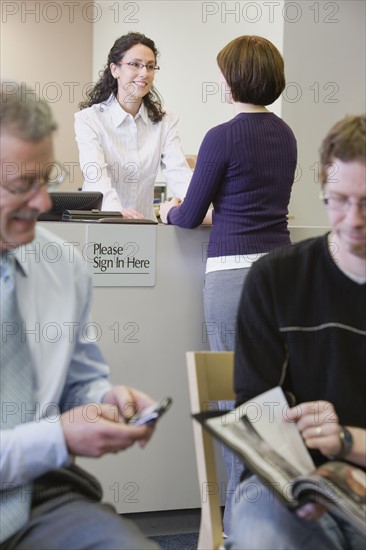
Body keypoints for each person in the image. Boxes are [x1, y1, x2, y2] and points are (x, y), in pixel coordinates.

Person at [0, 81, 160, 549]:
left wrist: (106, 399)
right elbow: (58, 434)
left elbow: (78, 383)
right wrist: (60, 438)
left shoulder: (62, 265)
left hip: (41, 497)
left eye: (45, 179)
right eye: (21, 186)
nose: (43, 203)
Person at [159, 34, 297, 533]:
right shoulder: (285, 134)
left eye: (223, 72)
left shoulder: (222, 136)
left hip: (234, 276)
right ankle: (272, 526)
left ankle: (242, 531)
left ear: (235, 78)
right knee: (271, 403)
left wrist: (166, 210)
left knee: (234, 406)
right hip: (280, 275)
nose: (220, 81)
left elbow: (191, 213)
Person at [226, 114, 366, 549]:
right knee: (269, 538)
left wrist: (346, 443)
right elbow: (255, 409)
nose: (354, 219)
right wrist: (302, 461)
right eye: (338, 200)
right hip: (285, 482)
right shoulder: (276, 278)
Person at [75, 32, 192, 220]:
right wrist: (117, 212)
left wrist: (195, 206)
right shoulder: (89, 119)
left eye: (150, 66)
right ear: (115, 70)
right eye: (135, 64)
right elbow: (95, 176)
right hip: (102, 223)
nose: (144, 73)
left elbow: (179, 172)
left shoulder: (166, 120)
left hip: (145, 225)